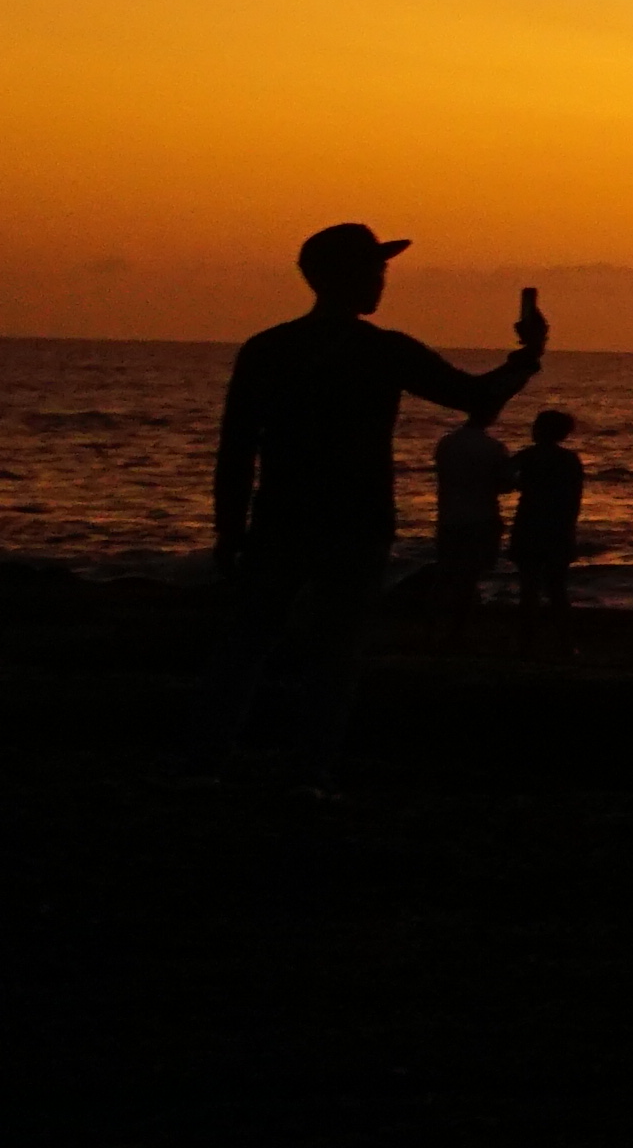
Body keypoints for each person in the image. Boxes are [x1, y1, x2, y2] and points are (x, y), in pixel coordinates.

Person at [212, 227, 542, 764]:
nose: (381, 282)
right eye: (375, 271)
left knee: (248, 644)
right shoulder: (381, 351)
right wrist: (528, 358)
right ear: (348, 276)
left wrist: (229, 528)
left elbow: (237, 447)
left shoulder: (268, 349)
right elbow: (475, 398)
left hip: (281, 516)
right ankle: (310, 769)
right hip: (356, 520)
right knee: (335, 653)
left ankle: (214, 757)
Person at [428, 393, 518, 641]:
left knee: (445, 574)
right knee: (469, 577)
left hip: (449, 516)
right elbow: (504, 484)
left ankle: (433, 626)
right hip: (481, 516)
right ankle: (458, 630)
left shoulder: (446, 443)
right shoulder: (493, 447)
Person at [507, 408, 588, 653]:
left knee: (529, 587)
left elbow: (501, 480)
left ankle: (526, 642)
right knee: (556, 587)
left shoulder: (526, 456)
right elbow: (575, 499)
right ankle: (564, 642)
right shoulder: (570, 460)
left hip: (529, 525)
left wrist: (522, 484)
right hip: (558, 527)